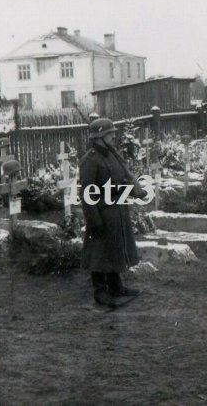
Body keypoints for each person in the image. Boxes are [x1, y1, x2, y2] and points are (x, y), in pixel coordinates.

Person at [79, 118, 147, 307]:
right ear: (100, 136)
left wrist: (135, 191)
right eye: (110, 133)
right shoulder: (90, 160)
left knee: (115, 249)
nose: (114, 136)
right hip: (101, 211)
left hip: (117, 208)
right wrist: (94, 220)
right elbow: (86, 193)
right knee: (100, 252)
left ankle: (116, 286)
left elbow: (119, 183)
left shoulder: (112, 156)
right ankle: (100, 291)